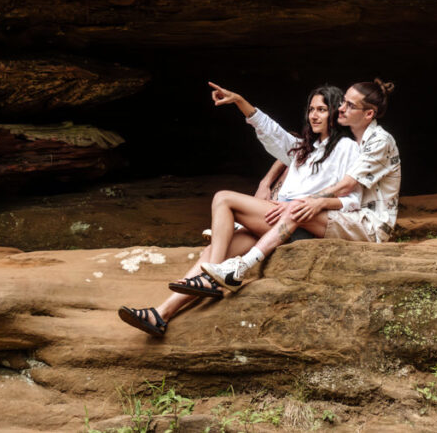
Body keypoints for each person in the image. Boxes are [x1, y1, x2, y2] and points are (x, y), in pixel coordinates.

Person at [118, 82, 360, 337]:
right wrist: (240, 102)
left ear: (335, 112)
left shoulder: (348, 148)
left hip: (298, 225)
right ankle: (161, 314)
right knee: (215, 250)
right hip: (271, 222)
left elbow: (353, 195)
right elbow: (271, 130)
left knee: (224, 198)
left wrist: (298, 204)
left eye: (322, 109)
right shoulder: (304, 148)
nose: (314, 115)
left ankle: (209, 278)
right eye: (311, 109)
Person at [201, 79, 401, 291]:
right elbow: (276, 135)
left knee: (294, 206)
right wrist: (241, 102)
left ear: (369, 114)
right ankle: (228, 265)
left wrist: (312, 200)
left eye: (349, 105)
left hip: (369, 224)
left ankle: (240, 266)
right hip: (345, 215)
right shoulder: (338, 143)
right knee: (292, 204)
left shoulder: (376, 141)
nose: (341, 108)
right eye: (341, 103)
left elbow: (346, 186)